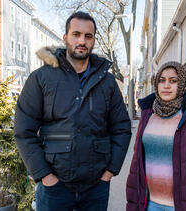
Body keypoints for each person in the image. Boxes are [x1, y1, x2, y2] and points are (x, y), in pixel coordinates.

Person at [14, 11, 132, 211]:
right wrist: (45, 175)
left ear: (94, 40)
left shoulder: (108, 82)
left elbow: (121, 128)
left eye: (88, 36)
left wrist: (110, 172)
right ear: (65, 38)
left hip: (96, 187)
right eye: (76, 34)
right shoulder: (41, 78)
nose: (82, 41)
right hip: (55, 187)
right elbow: (24, 131)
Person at [126, 61, 186, 211]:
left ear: (183, 84)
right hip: (147, 204)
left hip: (181, 206)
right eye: (162, 80)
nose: (166, 86)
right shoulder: (148, 113)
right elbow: (137, 161)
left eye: (173, 81)